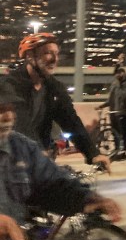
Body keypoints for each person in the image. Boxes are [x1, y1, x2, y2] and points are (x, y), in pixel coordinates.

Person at [0, 82, 121, 240]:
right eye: (0, 109)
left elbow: (52, 182)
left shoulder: (21, 147)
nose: (8, 116)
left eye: (10, 108)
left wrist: (89, 199)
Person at [1, 33, 111, 172]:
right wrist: (39, 153)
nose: (54, 59)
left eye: (57, 54)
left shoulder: (54, 88)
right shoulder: (10, 85)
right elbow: (20, 123)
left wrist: (93, 154)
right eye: (47, 53)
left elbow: (71, 121)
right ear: (29, 56)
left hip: (35, 159)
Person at [96, 67, 126, 158]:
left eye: (120, 73)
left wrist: (121, 87)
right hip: (113, 112)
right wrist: (101, 106)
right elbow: (110, 100)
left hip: (123, 112)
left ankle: (124, 150)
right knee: (115, 132)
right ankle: (116, 150)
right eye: (117, 73)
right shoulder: (114, 85)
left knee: (123, 132)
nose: (118, 75)